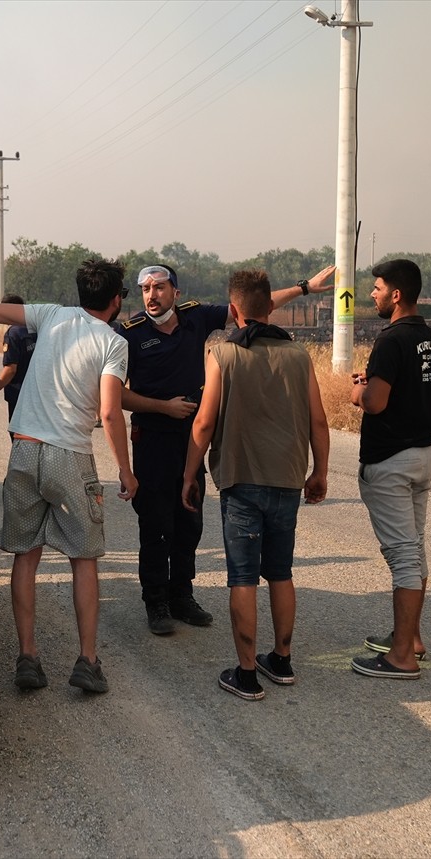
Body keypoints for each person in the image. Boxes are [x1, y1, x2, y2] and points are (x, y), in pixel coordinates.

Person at [0, 258, 138, 694]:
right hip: (69, 455)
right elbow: (108, 411)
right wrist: (125, 469)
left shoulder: (53, 315)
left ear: (81, 294)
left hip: (23, 449)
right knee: (83, 558)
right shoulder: (113, 343)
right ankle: (87, 660)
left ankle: (28, 656)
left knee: (26, 555)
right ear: (117, 299)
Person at [118, 262, 335, 635]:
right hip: (152, 440)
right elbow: (115, 394)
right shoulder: (129, 334)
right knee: (155, 525)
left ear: (176, 292)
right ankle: (156, 601)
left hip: (192, 443)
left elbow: (251, 308)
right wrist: (162, 407)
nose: (151, 296)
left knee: (189, 524)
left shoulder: (195, 318)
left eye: (159, 288)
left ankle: (182, 595)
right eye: (145, 289)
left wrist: (302, 287)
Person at [180, 269, 329, 700]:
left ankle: (246, 674)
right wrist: (319, 471)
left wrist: (189, 474)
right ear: (270, 306)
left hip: (241, 481)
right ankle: (281, 661)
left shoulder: (223, 356)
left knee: (242, 577)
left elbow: (204, 422)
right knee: (280, 573)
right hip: (286, 480)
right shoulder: (300, 357)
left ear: (234, 311)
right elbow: (318, 421)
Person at [349, 258, 431, 680]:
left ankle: (401, 658)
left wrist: (356, 391)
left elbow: (375, 402)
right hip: (424, 456)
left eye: (376, 288)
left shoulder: (390, 341)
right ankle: (410, 638)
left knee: (403, 555)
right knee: (416, 546)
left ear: (396, 295)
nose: (371, 294)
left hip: (391, 460)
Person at [0, 295, 37, 431]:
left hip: (19, 396)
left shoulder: (14, 334)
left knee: (19, 437)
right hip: (39, 395)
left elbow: (10, 370)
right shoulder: (36, 328)